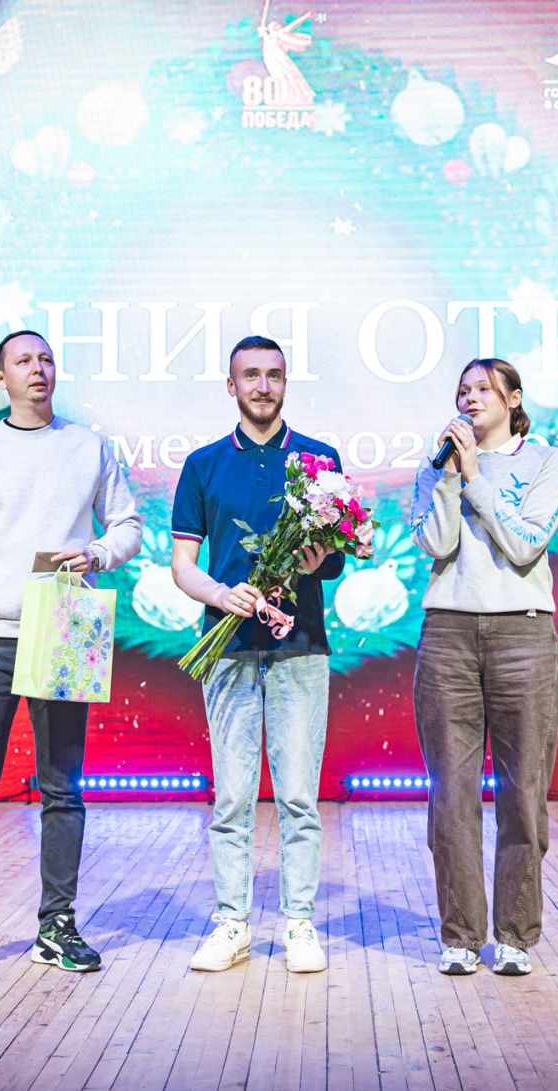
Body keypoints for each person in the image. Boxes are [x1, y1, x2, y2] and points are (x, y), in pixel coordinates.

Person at [0, 329, 142, 978]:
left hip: (65, 624)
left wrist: (98, 553)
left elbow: (128, 525)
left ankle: (57, 925)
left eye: (45, 358)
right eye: (23, 360)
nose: (38, 368)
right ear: (1, 377)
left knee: (63, 788)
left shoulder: (88, 447)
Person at [170, 335, 343, 973]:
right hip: (229, 649)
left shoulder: (319, 461)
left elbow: (335, 565)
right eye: (251, 375)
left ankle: (298, 923)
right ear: (231, 386)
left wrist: (317, 560)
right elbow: (182, 565)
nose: (263, 386)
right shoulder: (204, 464)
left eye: (273, 375)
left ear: (286, 383)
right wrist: (221, 594)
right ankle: (232, 924)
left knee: (298, 797)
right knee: (232, 800)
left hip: (301, 648)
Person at [411, 358, 558, 976]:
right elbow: (437, 544)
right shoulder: (438, 463)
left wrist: (476, 476)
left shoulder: (545, 462)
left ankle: (515, 935)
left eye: (483, 389)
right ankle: (460, 935)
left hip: (522, 633)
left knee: (523, 791)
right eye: (463, 390)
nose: (469, 399)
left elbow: (526, 545)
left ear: (514, 398)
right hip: (448, 632)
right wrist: (452, 476)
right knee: (450, 794)